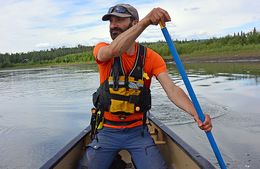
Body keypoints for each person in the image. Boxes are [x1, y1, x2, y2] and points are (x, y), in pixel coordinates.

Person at [78, 4, 212, 169]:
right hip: (107, 131)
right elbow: (114, 51)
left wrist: (196, 113)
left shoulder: (151, 58)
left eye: (119, 20)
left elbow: (172, 90)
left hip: (137, 132)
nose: (113, 25)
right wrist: (147, 21)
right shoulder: (102, 49)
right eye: (111, 21)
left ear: (134, 24)